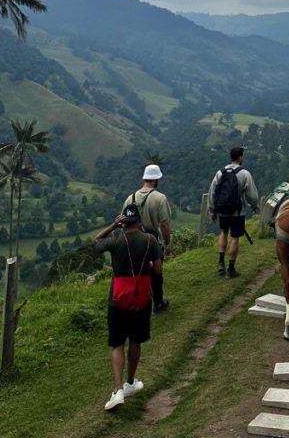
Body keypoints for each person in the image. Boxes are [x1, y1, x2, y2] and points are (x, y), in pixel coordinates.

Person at [93, 204, 162, 412]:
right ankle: (131, 382)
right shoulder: (150, 241)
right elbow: (158, 270)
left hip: (118, 300)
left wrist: (112, 226)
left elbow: (95, 243)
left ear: (123, 224)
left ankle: (117, 391)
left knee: (117, 345)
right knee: (136, 341)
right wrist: (148, 266)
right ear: (139, 222)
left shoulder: (116, 241)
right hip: (141, 299)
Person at [123, 163, 172, 313]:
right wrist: (167, 243)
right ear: (156, 179)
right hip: (153, 242)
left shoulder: (129, 199)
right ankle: (158, 303)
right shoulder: (159, 198)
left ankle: (139, 305)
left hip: (134, 242)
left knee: (140, 273)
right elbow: (164, 224)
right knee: (156, 273)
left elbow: (122, 223)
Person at [208, 146, 259, 278]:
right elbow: (252, 195)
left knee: (223, 232)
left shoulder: (220, 172)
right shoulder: (245, 174)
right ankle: (231, 268)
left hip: (222, 210)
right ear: (240, 157)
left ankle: (220, 262)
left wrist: (212, 211)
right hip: (238, 211)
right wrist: (255, 206)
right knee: (235, 238)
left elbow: (212, 192)